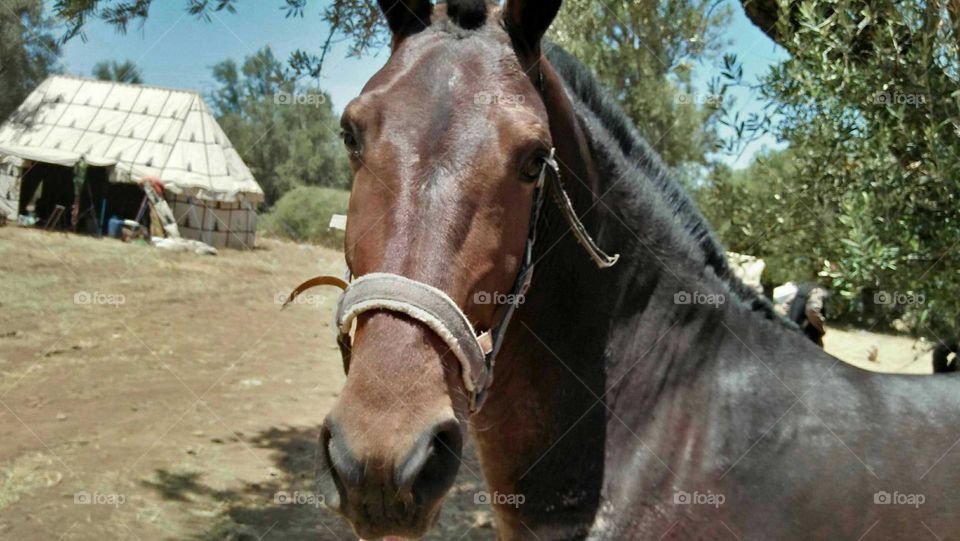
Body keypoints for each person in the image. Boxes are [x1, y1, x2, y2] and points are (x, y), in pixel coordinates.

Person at [773, 282, 829, 347]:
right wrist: (821, 327)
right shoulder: (818, 291)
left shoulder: (800, 288)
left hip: (792, 333)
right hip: (809, 338)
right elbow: (812, 310)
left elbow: (785, 305)